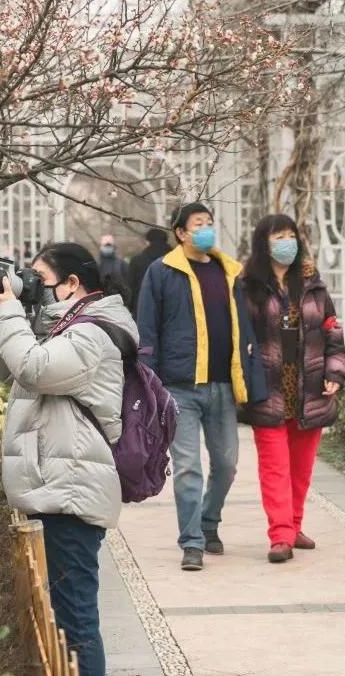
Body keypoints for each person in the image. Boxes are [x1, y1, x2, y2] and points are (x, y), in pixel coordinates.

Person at [0, 242, 138, 676]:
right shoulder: (64, 325)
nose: (32, 289)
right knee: (61, 621)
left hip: (69, 494)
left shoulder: (93, 331)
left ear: (72, 284)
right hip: (55, 487)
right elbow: (8, 365)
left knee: (74, 623)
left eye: (40, 281)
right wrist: (2, 309)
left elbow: (34, 369)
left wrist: (11, 308)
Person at [136, 202, 261, 571]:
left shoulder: (228, 271)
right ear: (180, 232)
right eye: (198, 224)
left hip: (222, 384)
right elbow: (147, 329)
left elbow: (243, 327)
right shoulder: (161, 272)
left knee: (227, 464)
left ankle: (209, 522)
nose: (206, 229)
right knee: (188, 467)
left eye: (209, 223)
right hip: (179, 386)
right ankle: (192, 542)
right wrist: (150, 381)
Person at [241, 214, 345, 563]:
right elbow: (239, 337)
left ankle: (294, 525)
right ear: (264, 243)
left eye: (290, 235)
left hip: (310, 388)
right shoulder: (248, 286)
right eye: (278, 236)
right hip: (269, 388)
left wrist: (335, 371)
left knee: (301, 468)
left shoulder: (313, 283)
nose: (286, 242)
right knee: (275, 467)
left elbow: (332, 331)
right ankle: (280, 535)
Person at [127, 228, 170, 318]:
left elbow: (131, 287)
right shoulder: (178, 260)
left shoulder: (137, 261)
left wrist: (131, 308)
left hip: (143, 310)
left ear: (147, 241)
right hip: (172, 312)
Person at [97, 234, 129, 299]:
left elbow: (128, 285)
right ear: (100, 246)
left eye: (109, 245)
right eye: (105, 245)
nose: (107, 247)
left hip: (118, 300)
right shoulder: (96, 264)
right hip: (99, 302)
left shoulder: (122, 264)